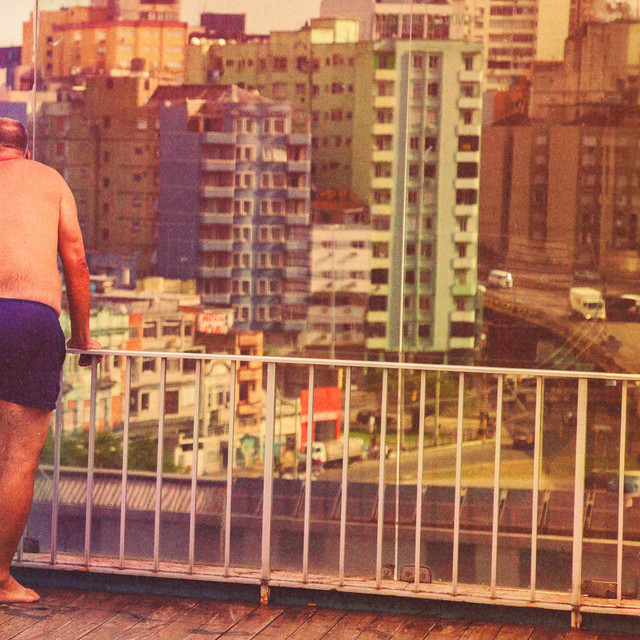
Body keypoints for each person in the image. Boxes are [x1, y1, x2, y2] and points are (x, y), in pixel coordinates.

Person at [0, 117, 101, 603]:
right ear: (25, 150)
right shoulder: (49, 180)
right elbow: (75, 259)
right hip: (29, 320)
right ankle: (0, 581)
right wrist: (82, 336)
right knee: (17, 458)